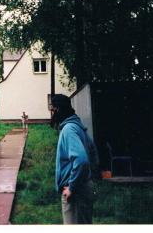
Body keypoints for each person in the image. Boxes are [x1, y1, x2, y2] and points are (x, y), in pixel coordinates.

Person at [51, 94, 99, 224]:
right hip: (83, 187)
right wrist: (90, 176)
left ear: (58, 110)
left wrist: (72, 187)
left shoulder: (69, 129)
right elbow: (93, 152)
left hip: (76, 192)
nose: (52, 114)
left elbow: (82, 160)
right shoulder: (78, 126)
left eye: (53, 110)